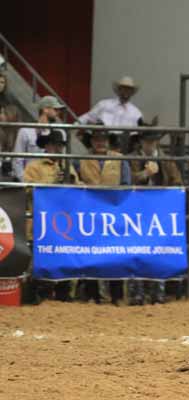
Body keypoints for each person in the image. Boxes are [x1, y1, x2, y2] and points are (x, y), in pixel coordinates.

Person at [78, 126, 132, 305]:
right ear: (91, 141)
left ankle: (116, 295)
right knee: (91, 254)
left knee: (115, 254)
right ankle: (93, 294)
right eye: (96, 139)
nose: (100, 142)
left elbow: (126, 185)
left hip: (113, 214)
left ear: (108, 141)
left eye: (103, 139)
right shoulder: (82, 161)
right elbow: (75, 183)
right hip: (90, 215)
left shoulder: (120, 159)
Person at [24, 129, 80, 303]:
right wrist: (53, 183)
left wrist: (72, 182)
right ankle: (36, 292)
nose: (57, 148)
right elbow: (27, 189)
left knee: (63, 255)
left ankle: (62, 291)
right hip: (41, 220)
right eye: (54, 145)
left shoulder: (66, 165)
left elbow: (77, 187)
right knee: (39, 258)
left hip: (62, 221)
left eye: (60, 145)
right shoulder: (33, 166)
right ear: (47, 146)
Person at [128, 130, 183, 304]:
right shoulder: (133, 159)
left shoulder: (166, 160)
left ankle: (158, 291)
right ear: (141, 142)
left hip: (160, 212)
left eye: (152, 142)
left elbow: (177, 182)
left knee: (159, 251)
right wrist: (145, 175)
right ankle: (137, 292)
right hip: (137, 212)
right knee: (136, 249)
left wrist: (167, 195)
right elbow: (128, 180)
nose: (149, 145)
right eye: (146, 141)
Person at [12, 96, 65, 182]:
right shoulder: (25, 131)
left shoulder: (59, 132)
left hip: (52, 180)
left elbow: (62, 159)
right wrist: (26, 182)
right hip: (31, 178)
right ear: (45, 110)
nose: (58, 112)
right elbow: (17, 160)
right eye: (55, 109)